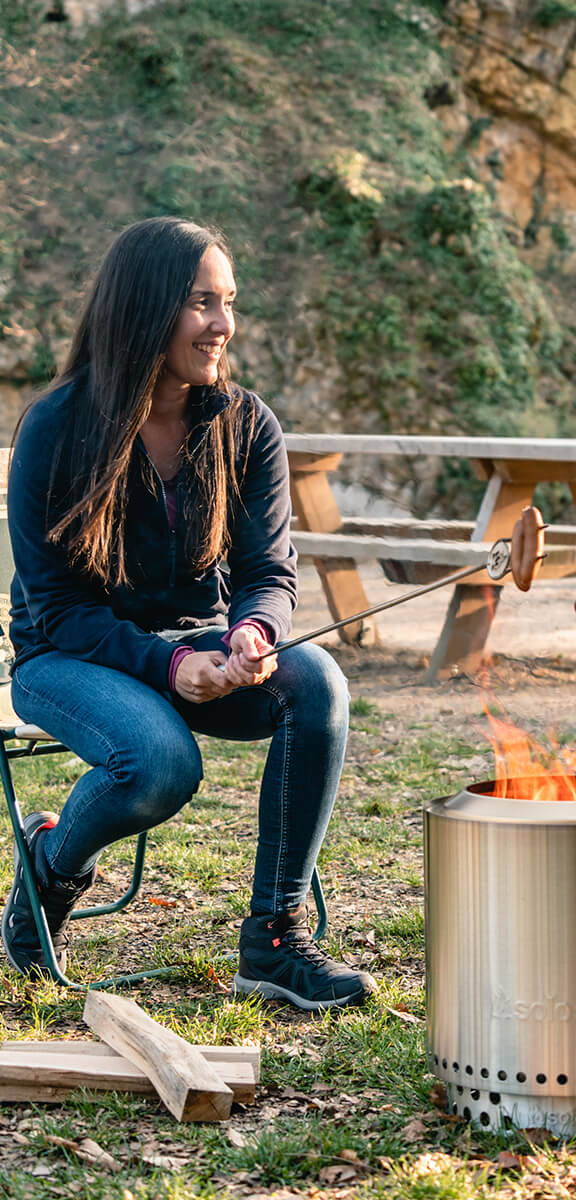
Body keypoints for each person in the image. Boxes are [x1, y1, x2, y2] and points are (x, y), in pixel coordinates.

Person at [2, 216, 377, 1010]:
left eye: (229, 302)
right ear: (145, 307)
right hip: (63, 657)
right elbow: (57, 606)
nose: (223, 324)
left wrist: (253, 631)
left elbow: (269, 570)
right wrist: (171, 665)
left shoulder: (245, 423)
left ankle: (274, 944)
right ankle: (50, 864)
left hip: (194, 641)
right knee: (162, 764)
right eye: (202, 302)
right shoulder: (58, 427)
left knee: (318, 685)